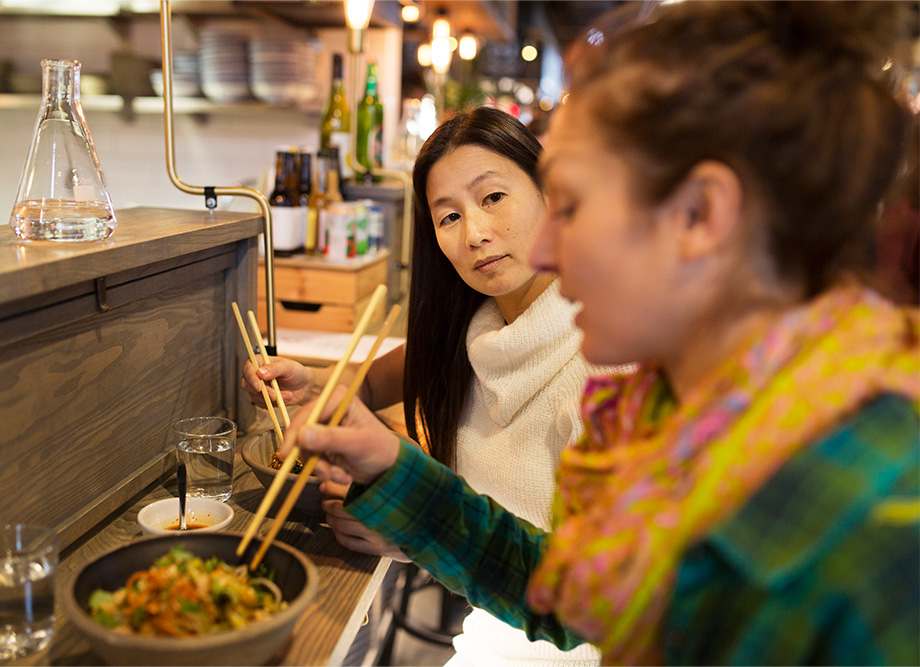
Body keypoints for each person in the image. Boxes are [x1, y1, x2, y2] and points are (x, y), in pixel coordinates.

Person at [277, 2, 920, 665]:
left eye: (573, 204)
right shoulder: (676, 412)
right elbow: (567, 591)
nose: (548, 250)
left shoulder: (876, 529)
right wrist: (389, 467)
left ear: (700, 213)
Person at [244, 107, 631, 665]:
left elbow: (589, 601)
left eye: (493, 197)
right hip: (496, 630)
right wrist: (323, 385)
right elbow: (404, 368)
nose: (475, 233)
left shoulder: (607, 360)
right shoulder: (484, 325)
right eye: (448, 217)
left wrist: (415, 529)